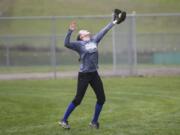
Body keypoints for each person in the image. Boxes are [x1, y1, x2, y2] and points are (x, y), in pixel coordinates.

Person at [59, 9, 126, 129]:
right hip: (84, 75)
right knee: (78, 100)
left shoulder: (94, 40)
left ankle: (94, 122)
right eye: (83, 31)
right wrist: (70, 31)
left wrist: (114, 21)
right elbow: (66, 43)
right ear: (81, 36)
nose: (86, 31)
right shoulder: (79, 45)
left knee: (101, 98)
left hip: (94, 74)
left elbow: (104, 31)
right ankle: (63, 120)